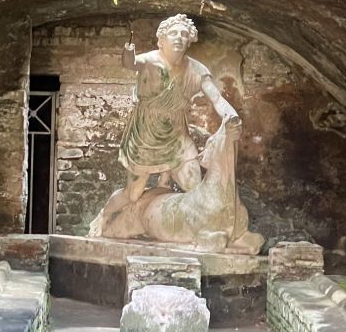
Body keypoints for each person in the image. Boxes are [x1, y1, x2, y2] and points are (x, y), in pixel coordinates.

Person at [94, 14, 240, 230]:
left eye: (183, 34)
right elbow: (130, 63)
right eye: (173, 33)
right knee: (132, 194)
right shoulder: (150, 61)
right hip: (146, 137)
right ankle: (104, 215)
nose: (179, 38)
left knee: (195, 187)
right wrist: (128, 48)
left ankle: (187, 233)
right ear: (161, 41)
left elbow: (217, 99)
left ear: (190, 40)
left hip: (178, 138)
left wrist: (231, 116)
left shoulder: (198, 70)